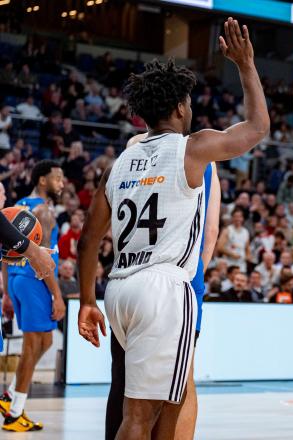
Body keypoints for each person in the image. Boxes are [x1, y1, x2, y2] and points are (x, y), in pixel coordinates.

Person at [77, 18, 268, 440]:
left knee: (146, 407)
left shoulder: (120, 162)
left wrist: (87, 301)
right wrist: (246, 67)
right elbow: (257, 129)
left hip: (119, 288)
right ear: (181, 107)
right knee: (146, 417)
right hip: (163, 288)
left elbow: (89, 241)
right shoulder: (192, 148)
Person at [104, 150, 221, 440]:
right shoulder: (202, 155)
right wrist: (192, 272)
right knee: (181, 384)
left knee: (122, 379)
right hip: (174, 276)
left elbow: (105, 226)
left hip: (128, 275)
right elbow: (211, 231)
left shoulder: (131, 150)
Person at [0, 160, 65, 432]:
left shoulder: (17, 206)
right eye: (57, 178)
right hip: (35, 279)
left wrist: (6, 290)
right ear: (42, 181)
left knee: (45, 342)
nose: (61, 183)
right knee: (33, 345)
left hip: (16, 280)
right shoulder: (43, 211)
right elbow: (43, 260)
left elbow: (5, 251)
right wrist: (57, 295)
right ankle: (15, 413)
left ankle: (9, 396)